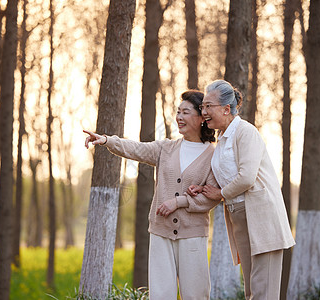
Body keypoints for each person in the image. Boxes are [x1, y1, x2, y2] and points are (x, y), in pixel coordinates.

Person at [84, 90, 220, 300]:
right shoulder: (166, 148)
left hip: (192, 235)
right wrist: (106, 140)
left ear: (202, 117)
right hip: (160, 231)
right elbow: (135, 149)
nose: (179, 117)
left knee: (196, 295)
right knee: (160, 295)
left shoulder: (213, 155)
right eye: (178, 112)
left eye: (185, 112)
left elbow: (211, 198)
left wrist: (178, 202)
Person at [189, 80, 295, 299]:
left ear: (226, 109)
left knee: (263, 290)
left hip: (261, 216)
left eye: (209, 106)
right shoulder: (222, 139)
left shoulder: (245, 132)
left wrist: (219, 194)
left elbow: (246, 177)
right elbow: (227, 176)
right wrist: (204, 188)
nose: (204, 112)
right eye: (203, 107)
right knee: (251, 290)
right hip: (239, 217)